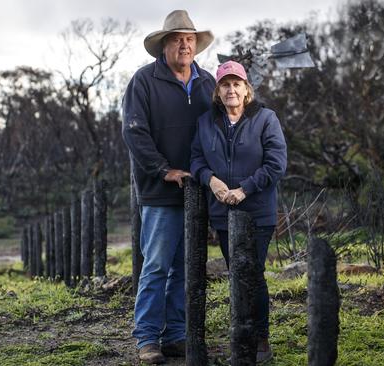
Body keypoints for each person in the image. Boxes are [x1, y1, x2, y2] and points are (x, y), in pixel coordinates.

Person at [121, 9, 216, 364]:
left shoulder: (208, 82)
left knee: (186, 267)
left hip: (197, 191)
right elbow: (134, 132)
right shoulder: (144, 81)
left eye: (189, 39)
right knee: (157, 265)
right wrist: (164, 170)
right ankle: (147, 338)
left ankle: (176, 334)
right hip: (160, 190)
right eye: (177, 39)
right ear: (164, 45)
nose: (184, 45)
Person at [190, 60, 287, 363]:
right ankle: (241, 335)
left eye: (236, 84)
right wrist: (212, 180)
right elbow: (195, 160)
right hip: (223, 213)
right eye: (225, 84)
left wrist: (245, 188)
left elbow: (276, 164)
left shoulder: (266, 119)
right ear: (217, 92)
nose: (231, 89)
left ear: (246, 90)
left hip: (256, 212)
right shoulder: (206, 122)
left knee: (252, 274)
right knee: (236, 274)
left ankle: (260, 341)